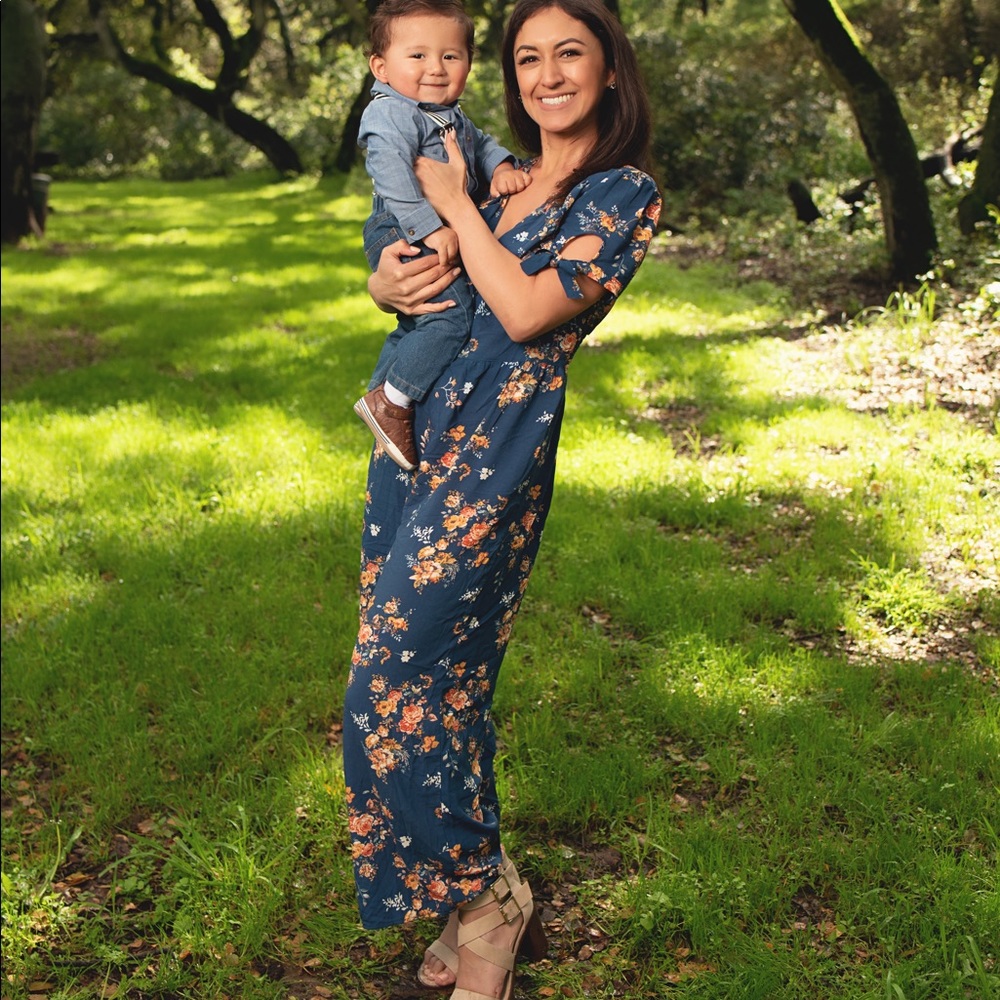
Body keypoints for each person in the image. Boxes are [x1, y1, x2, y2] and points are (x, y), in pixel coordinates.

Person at [343, 0, 661, 996]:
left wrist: (465, 205)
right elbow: (419, 265)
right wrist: (384, 283)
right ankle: (473, 903)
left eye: (570, 52)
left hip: (494, 454)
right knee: (443, 692)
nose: (547, 73)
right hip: (409, 443)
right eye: (527, 57)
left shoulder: (621, 193)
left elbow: (525, 310)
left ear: (609, 70)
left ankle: (487, 906)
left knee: (391, 685)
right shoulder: (492, 170)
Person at [353, 0, 531, 471]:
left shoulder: (446, 114)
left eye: (451, 56)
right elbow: (390, 172)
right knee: (449, 317)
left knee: (421, 319)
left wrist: (502, 166)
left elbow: (484, 146)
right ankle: (394, 402)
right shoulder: (391, 112)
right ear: (381, 67)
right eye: (418, 56)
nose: (435, 67)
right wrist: (430, 228)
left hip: (428, 225)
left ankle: (381, 394)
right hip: (404, 225)